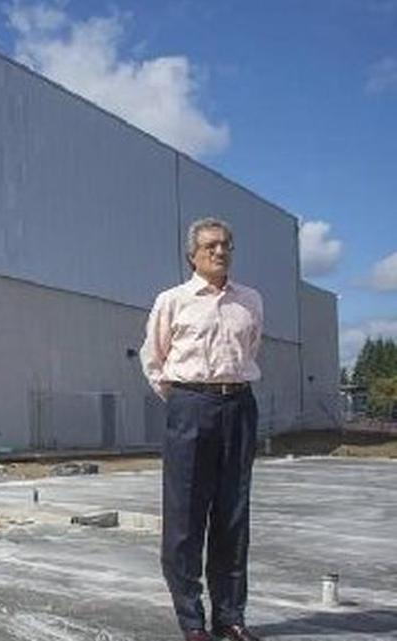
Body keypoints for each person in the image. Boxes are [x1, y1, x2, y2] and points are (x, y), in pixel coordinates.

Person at [140, 218, 264, 641]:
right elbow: (153, 359)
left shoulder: (250, 301)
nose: (220, 251)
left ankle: (230, 617)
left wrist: (227, 392)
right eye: (210, 246)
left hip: (239, 405)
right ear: (192, 255)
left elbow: (252, 349)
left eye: (226, 244)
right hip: (190, 405)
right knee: (185, 517)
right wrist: (184, 399)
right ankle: (192, 621)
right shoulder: (172, 301)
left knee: (233, 514)